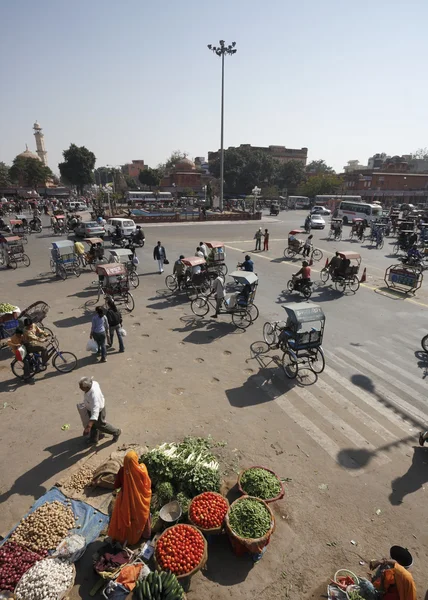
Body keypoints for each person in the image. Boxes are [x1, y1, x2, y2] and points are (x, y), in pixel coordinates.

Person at [108, 450, 151, 544]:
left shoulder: (122, 471)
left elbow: (116, 486)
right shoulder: (142, 469)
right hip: (140, 501)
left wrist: (127, 486)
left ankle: (129, 538)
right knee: (142, 516)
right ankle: (145, 534)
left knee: (126, 517)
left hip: (126, 501)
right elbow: (147, 484)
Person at [78, 377, 121, 444]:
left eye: (81, 386)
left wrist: (88, 426)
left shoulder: (94, 396)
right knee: (94, 425)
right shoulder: (93, 383)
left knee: (101, 425)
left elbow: (95, 413)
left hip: (98, 411)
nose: (79, 388)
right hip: (90, 407)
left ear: (87, 387)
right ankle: (94, 439)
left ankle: (116, 432)